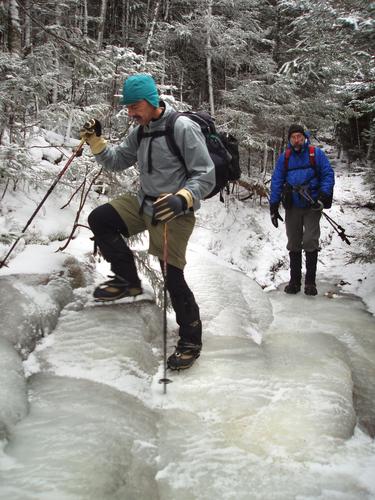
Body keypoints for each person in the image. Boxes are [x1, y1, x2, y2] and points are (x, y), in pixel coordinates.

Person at [79, 73, 215, 370]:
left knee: (172, 274)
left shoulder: (182, 128)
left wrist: (184, 198)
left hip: (175, 211)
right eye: (127, 107)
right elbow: (117, 160)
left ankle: (191, 339)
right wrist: (96, 141)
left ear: (152, 100)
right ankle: (128, 280)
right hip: (144, 203)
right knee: (100, 219)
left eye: (135, 106)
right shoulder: (140, 131)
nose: (131, 112)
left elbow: (205, 174)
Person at [269, 124, 335, 296]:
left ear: (304, 137)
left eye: (299, 136)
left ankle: (310, 283)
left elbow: (328, 174)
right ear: (290, 139)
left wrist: (322, 196)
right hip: (293, 205)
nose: (296, 140)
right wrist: (273, 205)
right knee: (293, 241)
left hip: (312, 204)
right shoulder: (285, 157)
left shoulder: (315, 154)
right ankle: (295, 281)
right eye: (293, 137)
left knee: (310, 240)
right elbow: (277, 180)